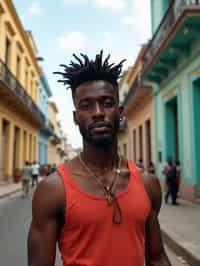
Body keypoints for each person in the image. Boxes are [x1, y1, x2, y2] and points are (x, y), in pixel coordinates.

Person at [28, 51, 171, 266]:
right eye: (86, 105)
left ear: (120, 111)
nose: (97, 112)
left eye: (106, 103)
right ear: (76, 118)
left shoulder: (147, 184)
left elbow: (157, 258)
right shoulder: (53, 190)